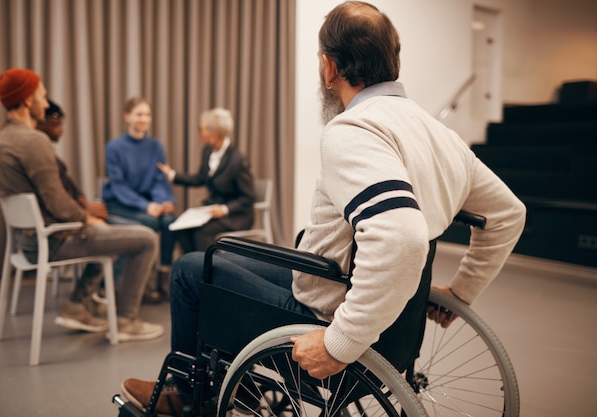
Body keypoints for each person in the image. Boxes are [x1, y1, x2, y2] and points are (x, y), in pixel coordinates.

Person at [120, 2, 526, 414]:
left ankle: (189, 398)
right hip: (386, 316)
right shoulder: (441, 135)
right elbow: (508, 214)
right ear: (393, 61)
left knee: (193, 269)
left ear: (329, 67)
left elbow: (401, 239)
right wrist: (462, 291)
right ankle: (234, 386)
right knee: (227, 259)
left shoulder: (354, 130)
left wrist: (340, 342)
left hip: (328, 310)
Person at [0, 68, 165, 342]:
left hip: (29, 241)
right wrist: (86, 218)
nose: (46, 104)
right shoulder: (33, 141)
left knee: (110, 234)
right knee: (147, 238)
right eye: (42, 97)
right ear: (25, 100)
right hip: (56, 240)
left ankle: (77, 305)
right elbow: (59, 204)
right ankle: (127, 319)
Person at [102, 97, 177, 303]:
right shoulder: (115, 147)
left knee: (170, 222)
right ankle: (143, 284)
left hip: (149, 203)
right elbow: (119, 187)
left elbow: (159, 181)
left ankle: (163, 281)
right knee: (152, 222)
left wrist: (164, 201)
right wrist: (146, 206)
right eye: (139, 114)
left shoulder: (156, 147)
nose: (144, 119)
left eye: (147, 115)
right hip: (121, 204)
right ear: (127, 117)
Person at [157, 107, 255, 253]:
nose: (199, 133)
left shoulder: (237, 160)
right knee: (182, 229)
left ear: (214, 135)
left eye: (201, 129)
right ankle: (194, 268)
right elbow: (200, 178)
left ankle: (209, 270)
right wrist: (172, 175)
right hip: (213, 211)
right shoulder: (208, 152)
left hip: (236, 216)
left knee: (201, 232)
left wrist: (225, 209)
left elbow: (249, 197)